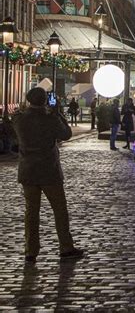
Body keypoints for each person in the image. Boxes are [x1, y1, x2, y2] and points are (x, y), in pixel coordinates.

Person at [11, 87, 83, 263]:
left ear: (29, 100)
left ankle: (30, 250)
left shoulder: (19, 119)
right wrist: (58, 114)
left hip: (28, 170)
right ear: (44, 101)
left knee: (31, 212)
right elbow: (66, 135)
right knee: (59, 210)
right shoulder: (49, 119)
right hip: (49, 170)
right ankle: (66, 247)